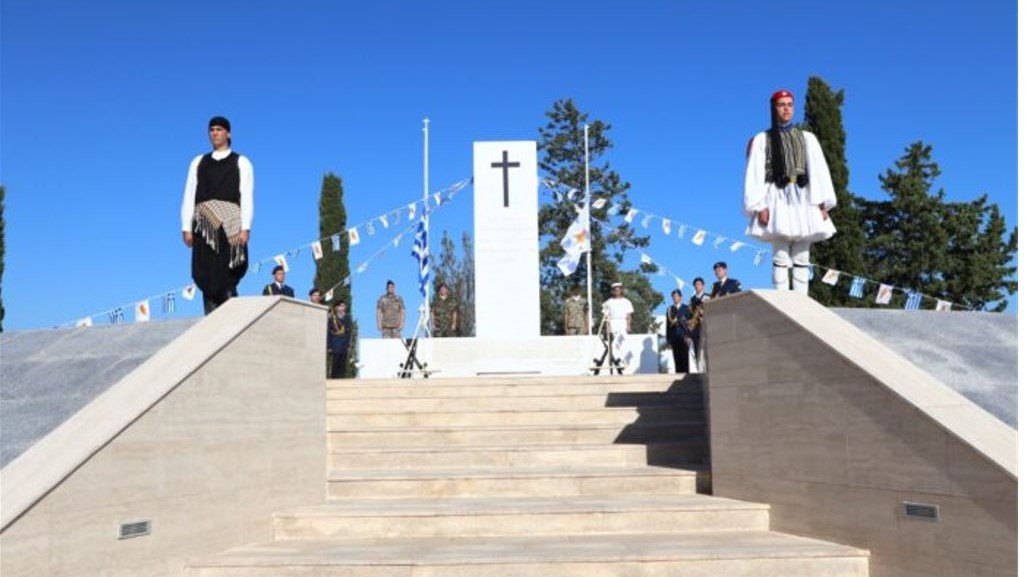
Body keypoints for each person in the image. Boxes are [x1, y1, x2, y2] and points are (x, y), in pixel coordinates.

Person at [743, 89, 837, 295]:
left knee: (803, 255)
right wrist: (759, 206)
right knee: (781, 254)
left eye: (790, 104)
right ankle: (782, 299)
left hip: (803, 198)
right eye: (782, 104)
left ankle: (801, 301)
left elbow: (819, 171)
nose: (786, 109)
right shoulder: (762, 139)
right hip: (776, 197)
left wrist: (823, 203)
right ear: (774, 108)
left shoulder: (808, 138)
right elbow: (755, 174)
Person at [181, 116, 254, 314]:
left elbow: (246, 196)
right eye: (212, 129)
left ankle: (230, 322)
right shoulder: (198, 162)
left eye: (219, 129)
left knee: (228, 277)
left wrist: (245, 227)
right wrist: (186, 227)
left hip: (230, 228)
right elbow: (189, 194)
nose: (215, 133)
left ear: (228, 133)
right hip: (204, 228)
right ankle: (211, 323)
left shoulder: (241, 162)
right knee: (206, 276)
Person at [665, 289, 691, 374]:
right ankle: (678, 376)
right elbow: (668, 325)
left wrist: (689, 336)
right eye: (673, 297)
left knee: (685, 358)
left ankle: (686, 378)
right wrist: (668, 339)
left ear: (680, 297)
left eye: (676, 296)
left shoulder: (686, 308)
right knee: (676, 358)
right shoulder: (669, 309)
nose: (675, 298)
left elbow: (690, 324)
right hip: (674, 337)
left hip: (684, 337)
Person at [689, 277, 711, 371]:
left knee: (707, 350)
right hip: (696, 328)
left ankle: (709, 371)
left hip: (706, 327)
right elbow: (690, 314)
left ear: (703, 285)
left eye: (699, 284)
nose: (697, 286)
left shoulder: (708, 297)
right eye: (695, 285)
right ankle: (700, 371)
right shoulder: (692, 299)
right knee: (698, 350)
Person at [327, 301, 352, 379]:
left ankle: (342, 379)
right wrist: (329, 345)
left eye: (344, 306)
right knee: (335, 363)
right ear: (336, 308)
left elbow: (349, 332)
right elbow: (329, 333)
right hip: (335, 342)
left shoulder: (347, 317)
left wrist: (348, 345)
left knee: (343, 364)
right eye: (340, 306)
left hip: (344, 343)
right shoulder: (332, 318)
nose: (342, 307)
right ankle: (334, 380)